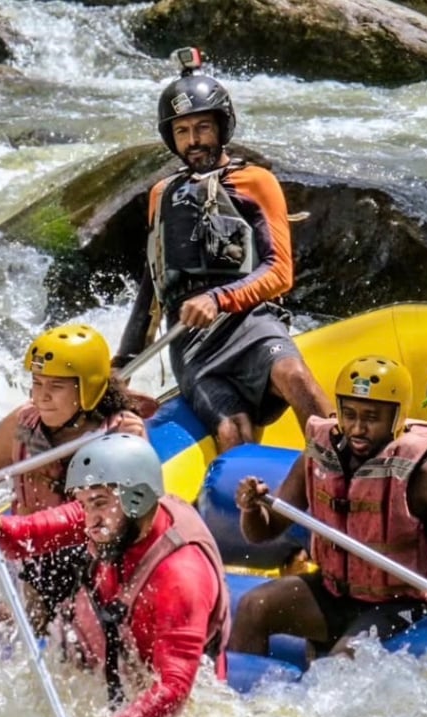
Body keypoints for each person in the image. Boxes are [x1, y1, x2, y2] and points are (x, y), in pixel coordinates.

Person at [0, 433, 231, 717]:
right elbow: (32, 535)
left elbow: (173, 690)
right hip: (115, 663)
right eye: (85, 504)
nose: (89, 521)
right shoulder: (117, 515)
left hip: (166, 702)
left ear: (138, 499)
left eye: (98, 503)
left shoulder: (181, 576)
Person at [113, 46, 333, 451]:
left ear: (221, 127)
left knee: (294, 377)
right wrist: (123, 363)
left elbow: (280, 271)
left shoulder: (255, 181)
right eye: (182, 132)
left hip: (249, 323)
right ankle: (250, 508)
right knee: (232, 431)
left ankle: (342, 477)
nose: (193, 141)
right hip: (193, 345)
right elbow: (152, 288)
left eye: (202, 128)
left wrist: (219, 298)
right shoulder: (162, 194)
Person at [228, 355, 427, 664]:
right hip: (334, 593)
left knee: (343, 661)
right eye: (349, 414)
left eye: (371, 417)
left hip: (400, 603)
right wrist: (251, 508)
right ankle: (245, 700)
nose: (357, 428)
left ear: (396, 417)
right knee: (252, 606)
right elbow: (264, 531)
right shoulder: (320, 454)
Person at [0, 323, 150, 628]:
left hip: (79, 558)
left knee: (21, 623)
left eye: (56, 387)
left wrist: (138, 445)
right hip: (25, 549)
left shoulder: (117, 433)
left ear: (88, 388)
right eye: (37, 383)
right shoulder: (24, 422)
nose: (42, 396)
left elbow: (130, 512)